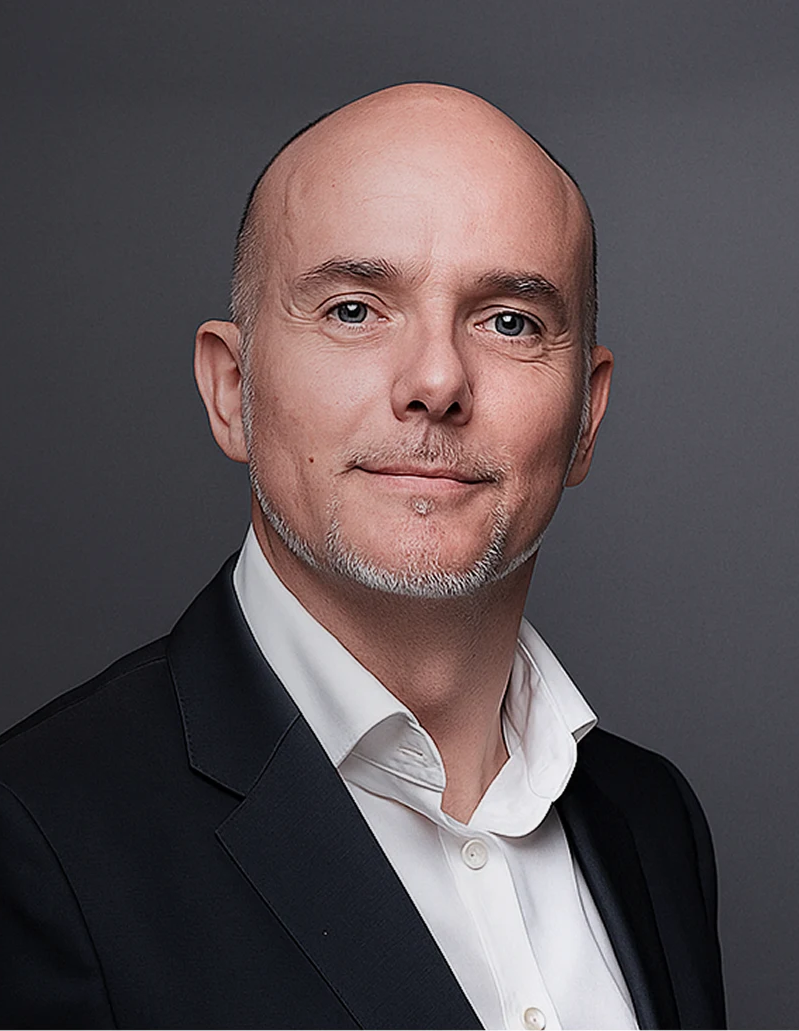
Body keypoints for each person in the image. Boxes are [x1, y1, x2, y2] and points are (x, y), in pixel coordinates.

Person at [0, 83, 725, 1030]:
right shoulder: (37, 837)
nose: (434, 380)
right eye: (352, 309)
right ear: (231, 391)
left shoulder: (650, 817)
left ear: (585, 417)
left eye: (509, 320)